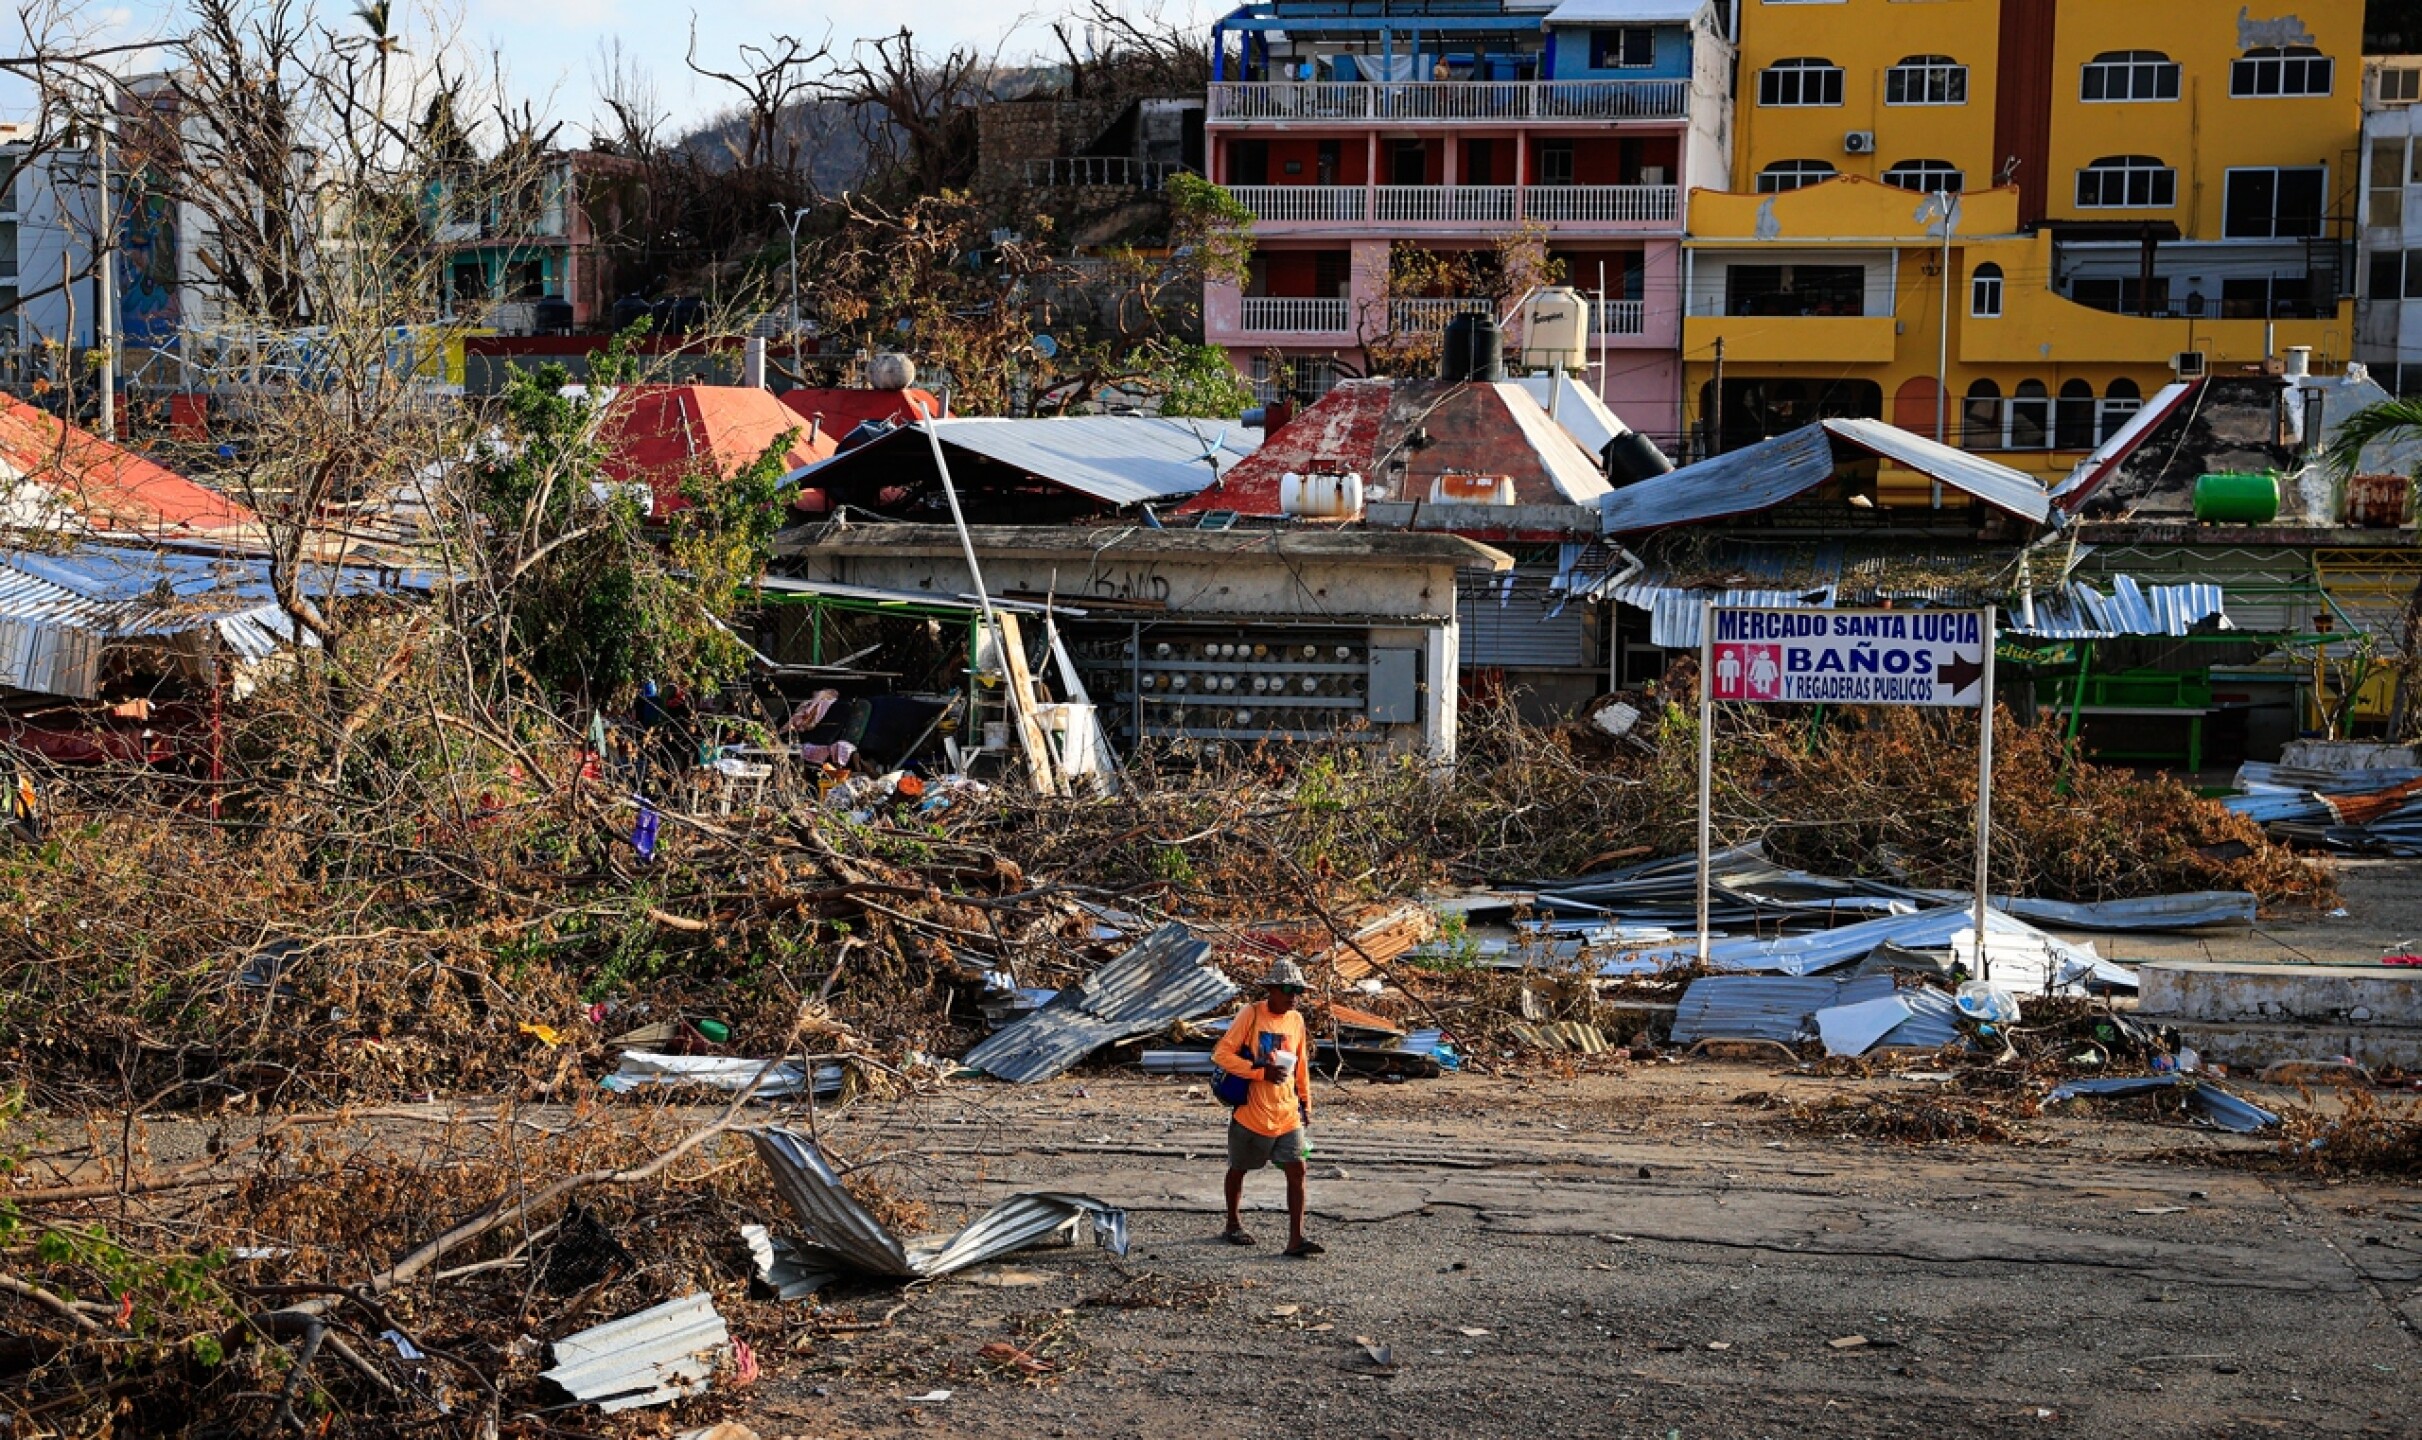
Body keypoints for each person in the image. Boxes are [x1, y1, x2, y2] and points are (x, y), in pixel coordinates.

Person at [1213, 959, 1322, 1257]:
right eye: (1287, 989)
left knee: (1298, 1168)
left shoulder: (1296, 1020)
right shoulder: (1251, 1014)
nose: (1292, 995)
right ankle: (1232, 1223)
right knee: (1239, 1169)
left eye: (1297, 990)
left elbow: (1301, 1066)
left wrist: (1305, 1102)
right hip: (1252, 1113)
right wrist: (1260, 1072)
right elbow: (1221, 1054)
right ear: (1271, 989)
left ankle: (1295, 1240)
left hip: (1287, 1112)